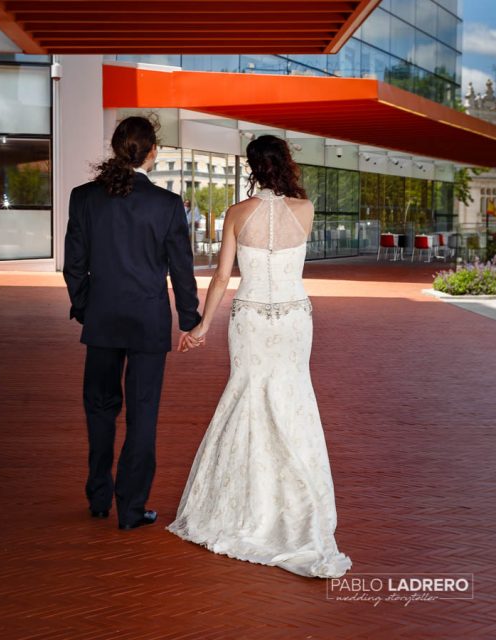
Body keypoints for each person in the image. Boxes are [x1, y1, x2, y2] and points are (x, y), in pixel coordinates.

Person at [168, 135, 351, 579]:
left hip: (249, 319)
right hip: (292, 320)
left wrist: (201, 326)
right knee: (292, 398)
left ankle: (246, 507)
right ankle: (294, 502)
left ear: (251, 167)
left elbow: (220, 279)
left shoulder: (236, 214)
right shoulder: (305, 211)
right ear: (285, 164)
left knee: (247, 397)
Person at [63, 116, 201, 530]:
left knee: (100, 409)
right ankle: (131, 508)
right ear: (152, 153)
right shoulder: (166, 204)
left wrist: (87, 308)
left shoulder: (84, 197)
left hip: (103, 321)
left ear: (116, 147)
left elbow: (74, 266)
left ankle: (99, 497)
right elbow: (181, 270)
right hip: (147, 323)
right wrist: (189, 320)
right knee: (142, 413)